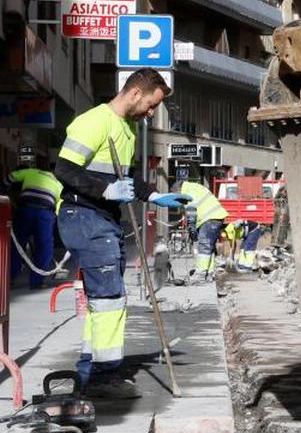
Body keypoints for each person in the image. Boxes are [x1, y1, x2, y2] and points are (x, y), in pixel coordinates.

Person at [54, 69, 190, 399]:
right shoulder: (94, 122)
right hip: (83, 216)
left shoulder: (127, 129)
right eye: (151, 104)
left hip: (102, 218)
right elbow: (65, 169)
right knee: (110, 298)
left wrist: (154, 195)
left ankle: (90, 369)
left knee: (104, 300)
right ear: (134, 94)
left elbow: (125, 178)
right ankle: (103, 376)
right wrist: (105, 191)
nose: (152, 112)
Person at [7, 163, 63, 290]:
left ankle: (8, 279)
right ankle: (37, 282)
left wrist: (4, 190)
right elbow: (59, 210)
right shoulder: (59, 184)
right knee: (44, 249)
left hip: (25, 210)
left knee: (17, 246)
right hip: (46, 214)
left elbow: (11, 176)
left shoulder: (31, 172)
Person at [179, 178, 227, 280]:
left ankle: (200, 273)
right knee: (209, 246)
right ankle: (209, 272)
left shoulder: (187, 192)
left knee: (204, 245)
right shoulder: (195, 187)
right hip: (216, 217)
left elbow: (191, 212)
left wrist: (191, 229)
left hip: (209, 218)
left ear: (178, 190)